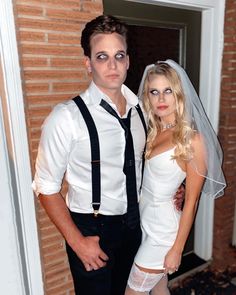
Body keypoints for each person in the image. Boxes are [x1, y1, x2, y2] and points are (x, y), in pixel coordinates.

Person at [32, 15, 183, 295]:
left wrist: (177, 186)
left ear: (127, 61)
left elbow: (149, 162)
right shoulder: (67, 117)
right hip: (93, 230)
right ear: (88, 63)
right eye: (102, 56)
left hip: (137, 225)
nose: (112, 65)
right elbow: (45, 188)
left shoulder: (142, 110)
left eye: (119, 55)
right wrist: (78, 242)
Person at [125, 60, 226, 295]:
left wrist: (177, 248)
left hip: (164, 232)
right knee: (160, 289)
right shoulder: (152, 131)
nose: (161, 99)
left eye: (168, 91)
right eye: (154, 92)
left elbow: (191, 201)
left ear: (178, 94)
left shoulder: (193, 140)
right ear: (147, 96)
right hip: (144, 221)